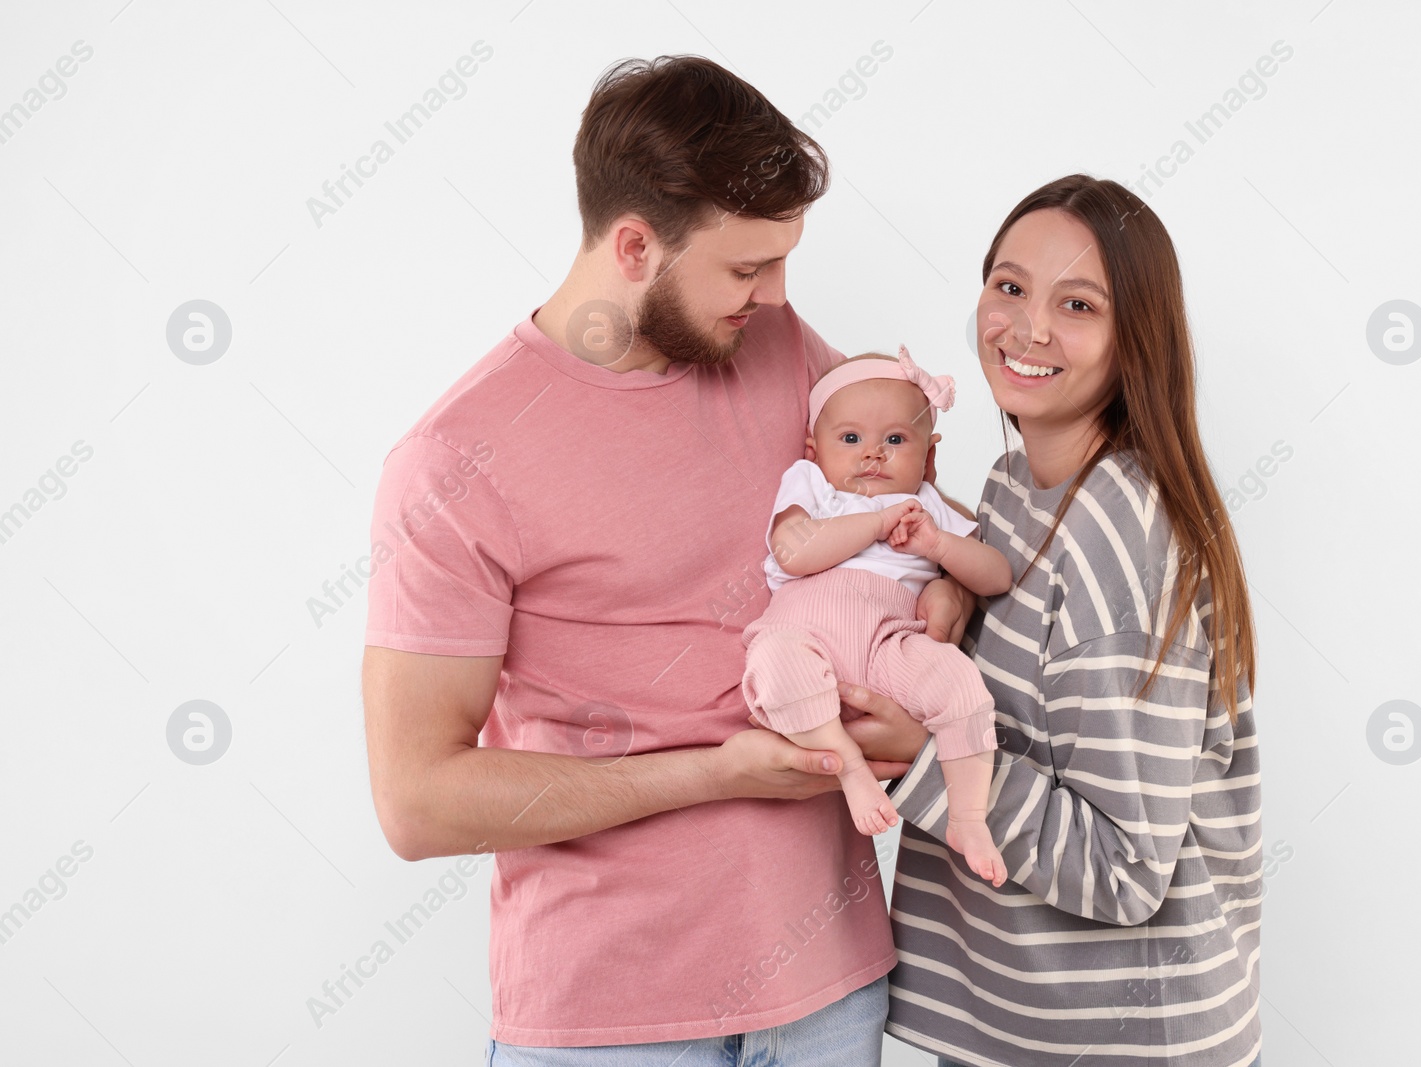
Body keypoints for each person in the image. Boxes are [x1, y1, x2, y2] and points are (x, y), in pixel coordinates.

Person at [358, 55, 978, 1065]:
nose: (775, 295)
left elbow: (909, 521)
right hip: (610, 1022)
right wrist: (715, 774)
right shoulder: (453, 462)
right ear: (635, 245)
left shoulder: (778, 347)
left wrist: (936, 627)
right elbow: (417, 799)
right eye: (745, 268)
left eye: (783, 262)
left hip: (831, 989)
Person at [841, 175, 1265, 1066]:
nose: (1028, 327)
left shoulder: (1119, 537)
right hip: (1026, 1028)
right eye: (1009, 286)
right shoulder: (1014, 488)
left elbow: (1125, 869)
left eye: (1077, 304)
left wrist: (926, 754)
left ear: (1133, 338)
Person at [741, 347, 1012, 885]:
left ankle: (968, 817)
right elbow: (794, 553)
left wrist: (940, 546)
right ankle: (850, 766)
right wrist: (875, 523)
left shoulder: (927, 506)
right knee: (773, 662)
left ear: (929, 455)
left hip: (890, 643)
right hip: (805, 633)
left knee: (961, 684)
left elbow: (996, 577)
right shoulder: (812, 488)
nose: (873, 455)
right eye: (850, 440)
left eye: (895, 440)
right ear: (813, 451)